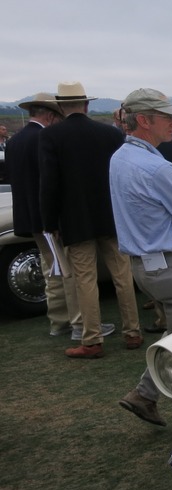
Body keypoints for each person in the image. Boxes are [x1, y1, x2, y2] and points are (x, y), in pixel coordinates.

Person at [110, 89, 172, 438]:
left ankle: (146, 394)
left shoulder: (119, 158)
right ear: (144, 121)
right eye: (167, 117)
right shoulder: (157, 167)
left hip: (142, 266)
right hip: (168, 265)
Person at [40, 81, 142, 358]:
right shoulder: (109, 134)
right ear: (86, 105)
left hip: (75, 220)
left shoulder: (51, 136)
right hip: (111, 216)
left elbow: (49, 184)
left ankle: (93, 339)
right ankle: (133, 331)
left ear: (60, 106)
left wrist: (50, 222)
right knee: (123, 275)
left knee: (85, 280)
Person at [8, 92, 93, 340]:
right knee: (68, 272)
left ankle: (58, 321)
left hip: (30, 218)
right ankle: (78, 324)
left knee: (52, 271)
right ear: (49, 115)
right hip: (51, 219)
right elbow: (52, 182)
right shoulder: (45, 138)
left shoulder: (15, 141)